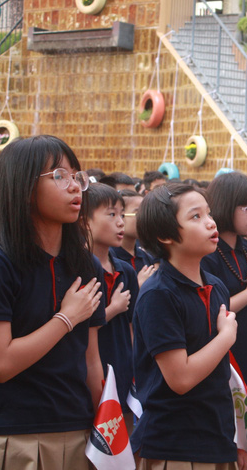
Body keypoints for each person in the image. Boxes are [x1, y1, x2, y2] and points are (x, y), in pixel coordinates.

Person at [0, 136, 104, 469]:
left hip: (78, 430)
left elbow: (91, 359)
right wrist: (65, 318)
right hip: (14, 435)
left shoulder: (85, 265)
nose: (74, 188)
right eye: (58, 176)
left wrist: (105, 432)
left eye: (76, 176)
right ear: (24, 188)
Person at [132, 182, 246, 469]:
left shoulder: (215, 286)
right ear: (164, 235)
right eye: (195, 217)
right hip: (176, 445)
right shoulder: (159, 293)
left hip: (217, 437)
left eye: (208, 214)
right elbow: (180, 378)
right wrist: (225, 337)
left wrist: (240, 438)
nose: (210, 223)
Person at [202, 173, 247, 410]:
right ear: (225, 205)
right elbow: (211, 312)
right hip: (222, 366)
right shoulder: (208, 255)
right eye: (246, 208)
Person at [84, 183, 140, 433]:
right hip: (90, 373)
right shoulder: (79, 269)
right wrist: (113, 308)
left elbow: (132, 329)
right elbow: (77, 327)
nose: (121, 222)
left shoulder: (125, 270)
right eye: (111, 214)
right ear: (85, 221)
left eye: (122, 214)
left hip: (123, 371)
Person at [110, 189, 156, 287]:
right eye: (138, 213)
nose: (144, 218)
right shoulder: (111, 259)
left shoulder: (146, 256)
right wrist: (138, 286)